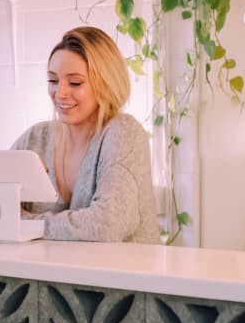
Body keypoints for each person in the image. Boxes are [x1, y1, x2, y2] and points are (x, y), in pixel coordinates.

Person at [12, 26, 160, 244]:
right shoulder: (36, 138)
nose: (60, 93)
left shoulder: (124, 133)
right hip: (52, 275)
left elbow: (108, 224)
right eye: (53, 81)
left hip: (118, 276)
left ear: (106, 83)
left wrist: (25, 224)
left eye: (75, 83)